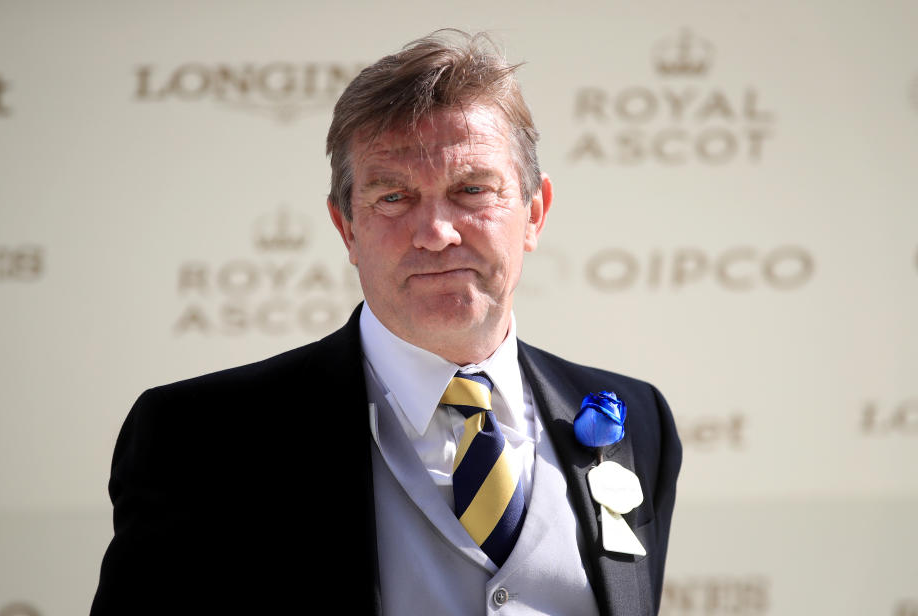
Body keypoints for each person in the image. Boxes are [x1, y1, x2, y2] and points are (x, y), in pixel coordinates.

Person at [91, 30, 681, 616]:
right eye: (394, 198)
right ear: (347, 227)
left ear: (534, 213)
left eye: (472, 190)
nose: (436, 233)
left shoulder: (635, 420)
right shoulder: (199, 437)